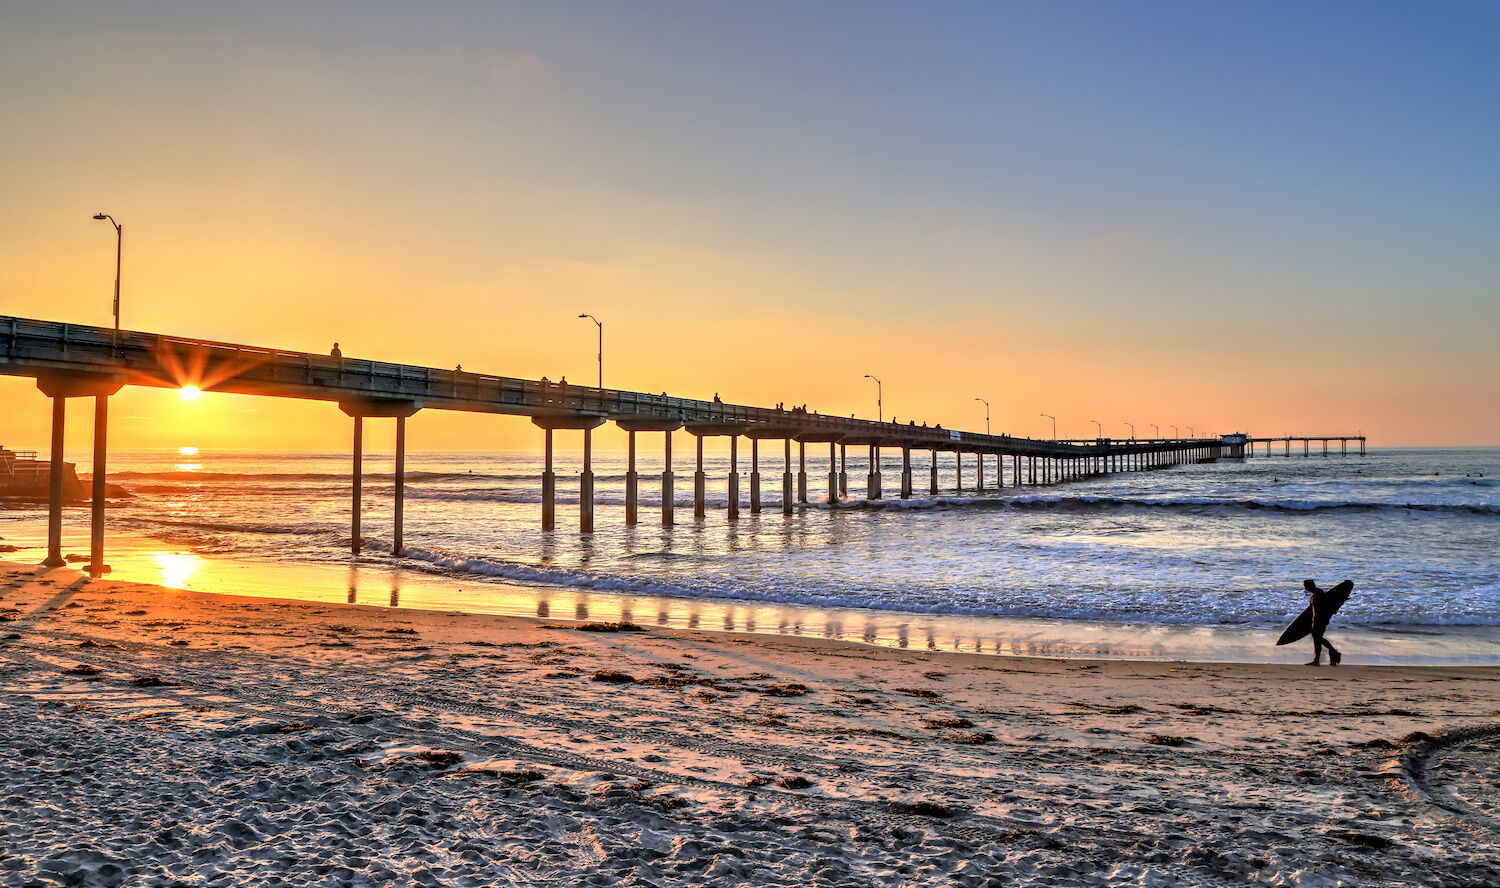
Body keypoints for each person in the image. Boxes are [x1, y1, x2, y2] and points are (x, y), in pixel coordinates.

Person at [1304, 579, 1342, 666]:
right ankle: (1319, 659)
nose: (1305, 588)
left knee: (1317, 639)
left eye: (1306, 586)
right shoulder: (1313, 594)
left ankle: (1332, 653)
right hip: (1315, 620)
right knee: (1317, 639)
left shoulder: (1319, 593)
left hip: (1321, 620)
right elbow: (1311, 610)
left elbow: (1327, 607)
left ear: (1311, 585)